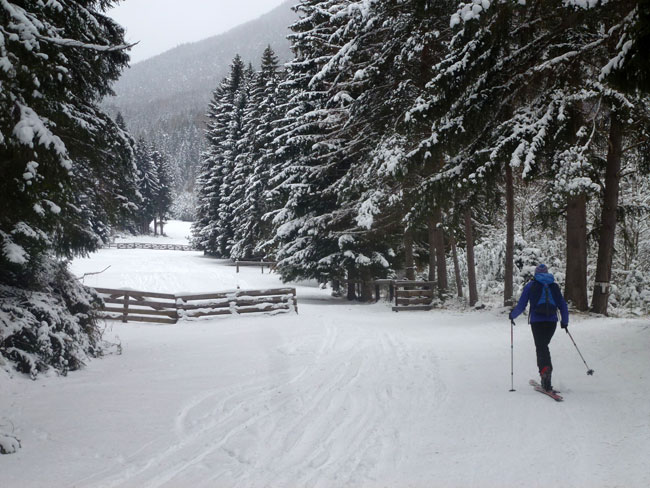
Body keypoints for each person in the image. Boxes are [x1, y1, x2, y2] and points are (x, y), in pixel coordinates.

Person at [509, 264, 569, 391]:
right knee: (544, 346)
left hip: (537, 321)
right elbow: (562, 305)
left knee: (541, 347)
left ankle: (545, 371)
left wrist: (512, 315)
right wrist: (565, 321)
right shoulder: (554, 286)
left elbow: (521, 305)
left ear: (536, 274)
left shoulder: (531, 286)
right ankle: (546, 374)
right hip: (552, 321)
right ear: (547, 273)